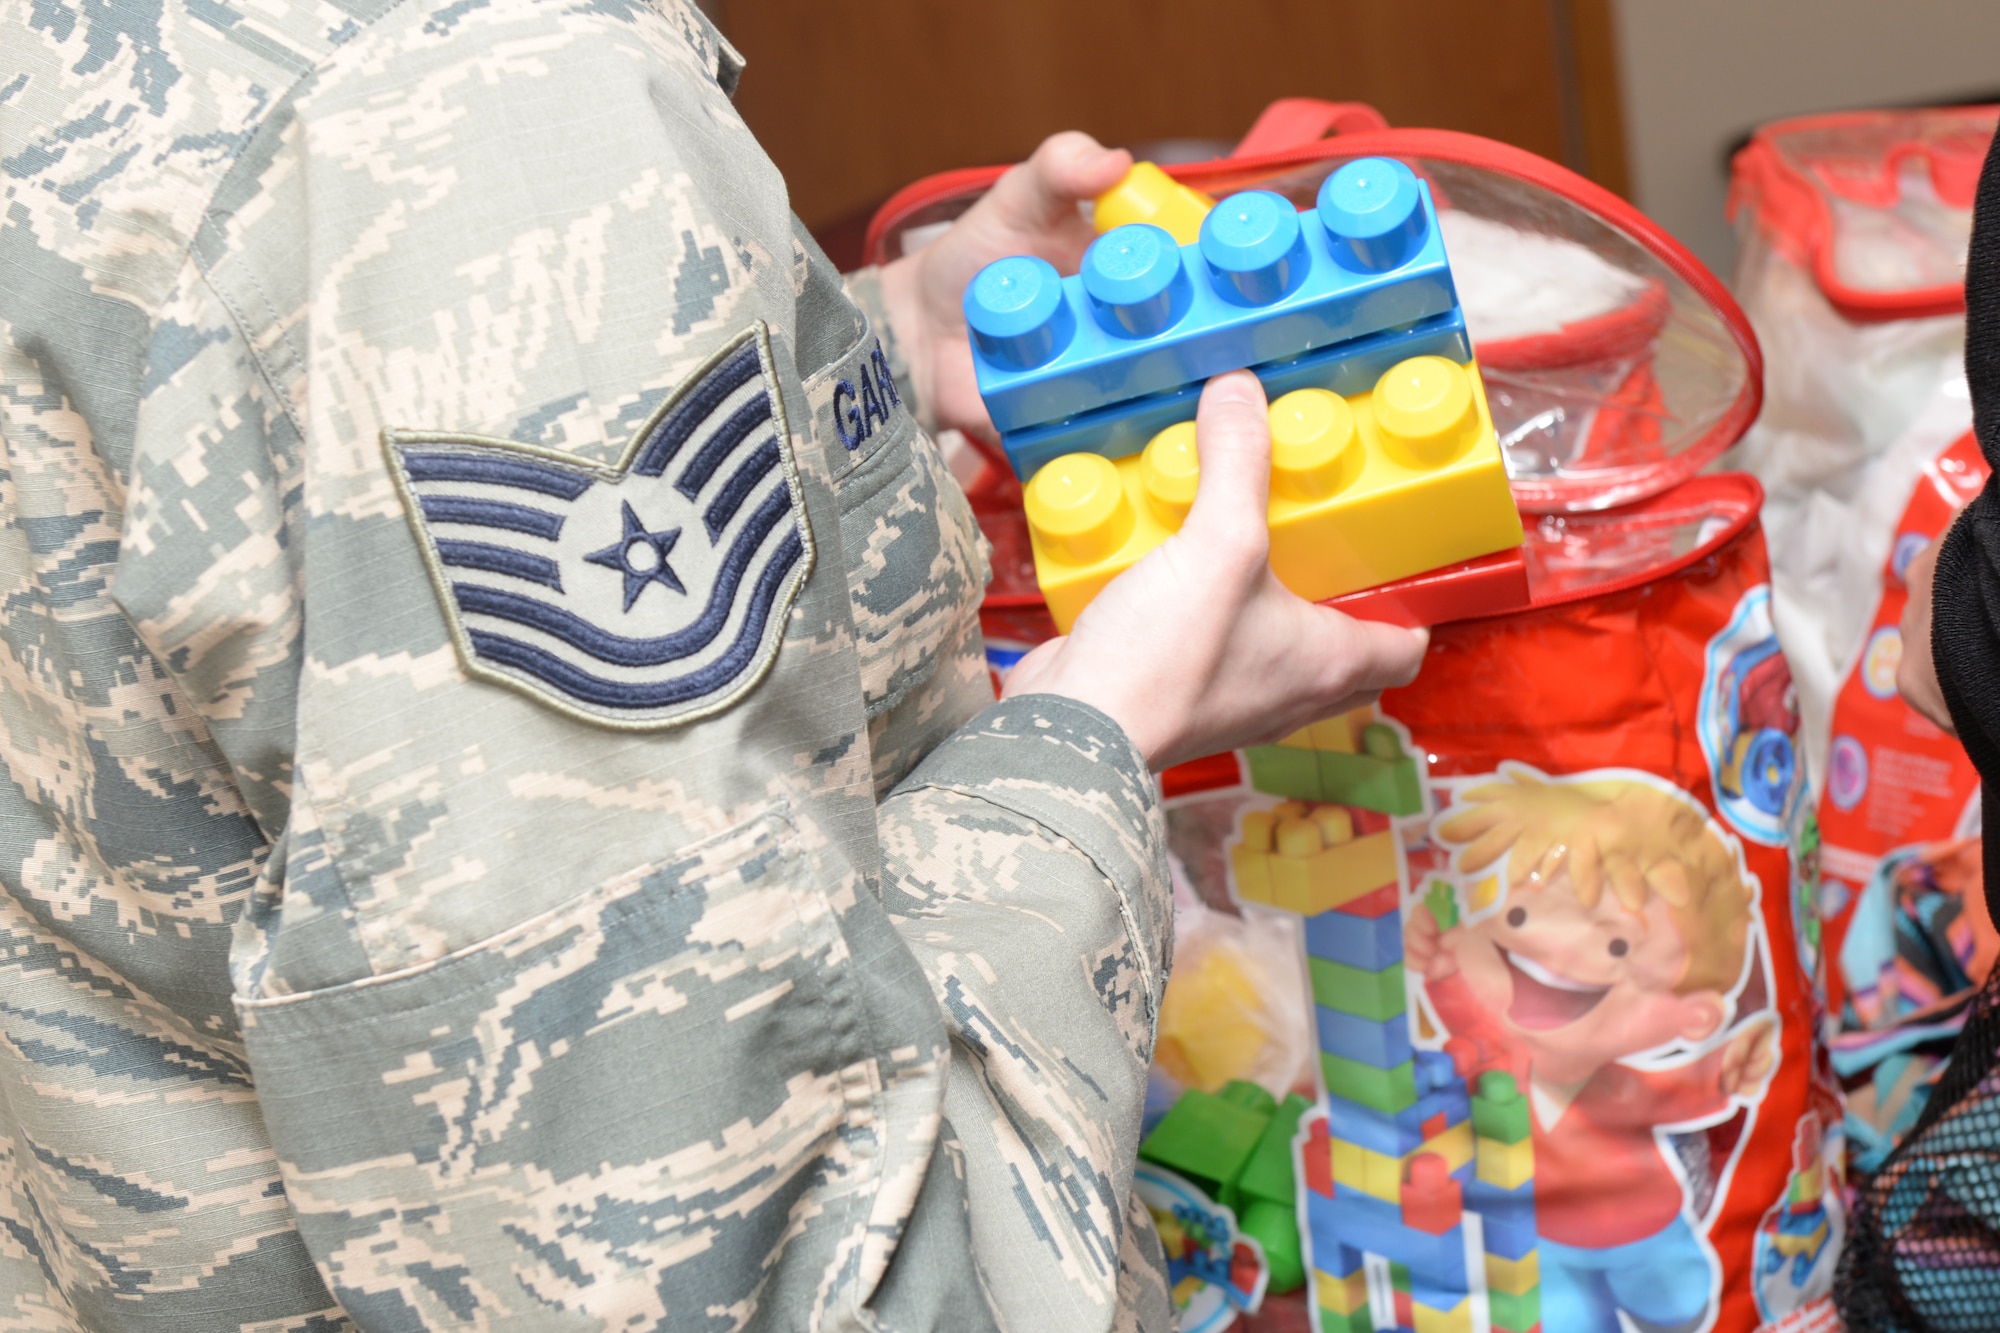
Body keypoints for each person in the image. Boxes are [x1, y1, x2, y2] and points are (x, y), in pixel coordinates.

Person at [0, 0, 1427, 1327]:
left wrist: (842, 359)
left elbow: (213, 487)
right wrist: (1084, 743)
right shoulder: (487, 110)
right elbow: (734, 1271)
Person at [1409, 767, 1776, 1333]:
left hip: (1649, 1232)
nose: (1552, 951)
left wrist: (1725, 1073)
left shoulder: (1620, 1089)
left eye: (1616, 942)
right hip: (1539, 1241)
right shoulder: (1490, 1058)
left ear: (1693, 1015)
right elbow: (1467, 1002)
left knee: (1686, 1306)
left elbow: (1674, 1094)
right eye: (1519, 916)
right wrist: (1436, 963)